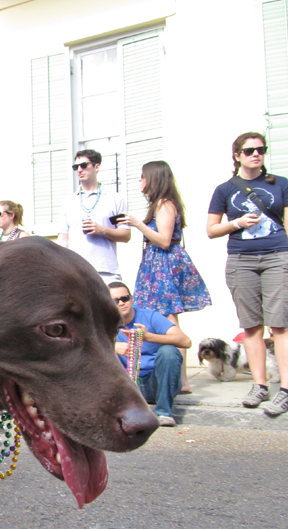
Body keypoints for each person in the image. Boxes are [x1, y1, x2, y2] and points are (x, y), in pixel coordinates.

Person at [208, 132, 288, 416]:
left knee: (280, 326)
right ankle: (260, 386)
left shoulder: (280, 185)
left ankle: (285, 391)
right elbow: (211, 230)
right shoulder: (225, 189)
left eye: (261, 149)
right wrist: (237, 223)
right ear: (237, 155)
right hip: (241, 259)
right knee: (252, 326)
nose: (256, 154)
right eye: (250, 150)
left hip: (278, 256)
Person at [119, 161, 211, 393]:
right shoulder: (160, 203)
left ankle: (181, 381)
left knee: (169, 322)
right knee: (161, 318)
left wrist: (137, 223)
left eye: (142, 177)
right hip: (155, 265)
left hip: (163, 266)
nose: (140, 181)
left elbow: (164, 240)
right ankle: (174, 379)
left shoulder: (165, 203)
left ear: (154, 178)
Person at [110, 282, 191, 427]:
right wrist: (113, 346)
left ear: (132, 299)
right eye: (115, 301)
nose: (121, 303)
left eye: (125, 298)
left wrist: (149, 337)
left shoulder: (150, 316)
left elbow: (185, 341)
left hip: (157, 382)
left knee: (169, 351)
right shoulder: (104, 322)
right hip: (128, 384)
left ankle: (164, 412)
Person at [58, 149, 131, 283]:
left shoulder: (115, 198)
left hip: (106, 270)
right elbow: (63, 239)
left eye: (84, 165)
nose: (79, 170)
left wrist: (102, 230)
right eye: (76, 167)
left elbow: (126, 235)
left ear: (96, 166)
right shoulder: (68, 202)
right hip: (76, 270)